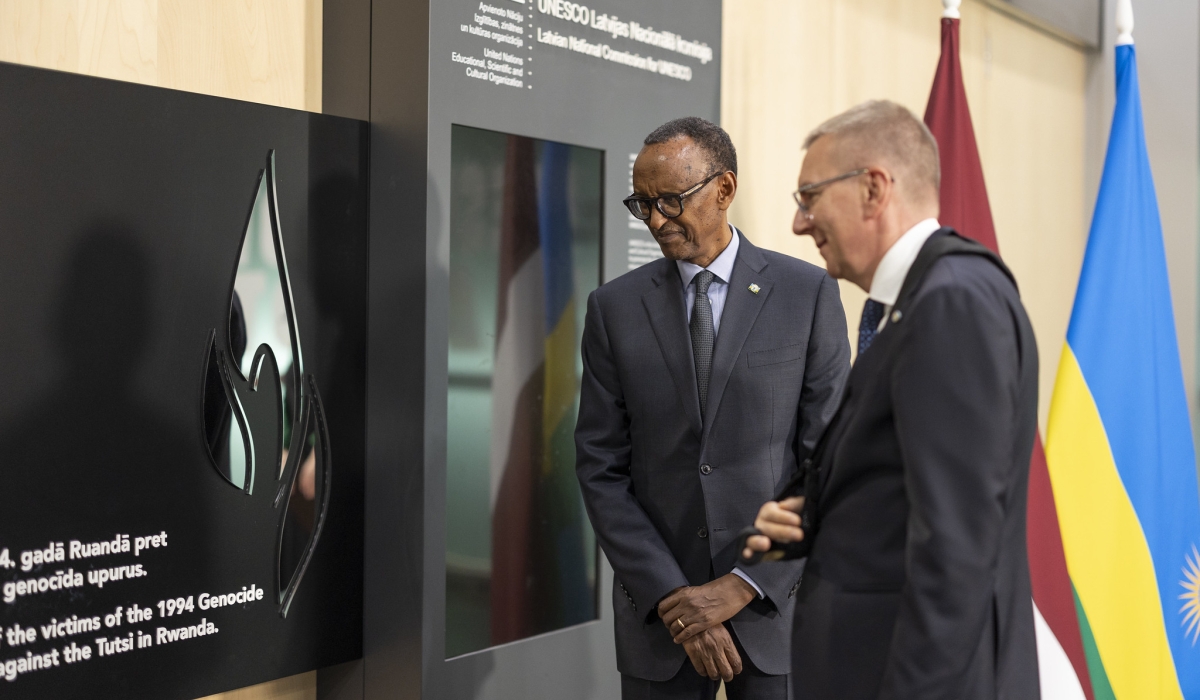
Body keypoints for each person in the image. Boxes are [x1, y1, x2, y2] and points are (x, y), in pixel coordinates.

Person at [742, 100, 1041, 699]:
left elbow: (956, 554)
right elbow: (905, 486)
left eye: (809, 198)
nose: (800, 224)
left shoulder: (951, 302)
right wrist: (813, 517)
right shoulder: (918, 301)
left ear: (874, 189)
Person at [575, 117, 850, 700]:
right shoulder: (613, 310)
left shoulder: (808, 294)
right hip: (661, 622)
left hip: (777, 610)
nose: (654, 220)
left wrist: (748, 583)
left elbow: (829, 461)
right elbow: (600, 467)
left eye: (670, 200)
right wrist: (676, 599)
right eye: (642, 203)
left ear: (723, 189)